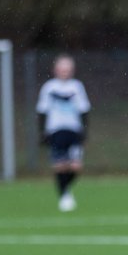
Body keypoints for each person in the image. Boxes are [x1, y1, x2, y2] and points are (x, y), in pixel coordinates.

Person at [37, 54, 92, 212]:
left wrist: (85, 131)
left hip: (73, 131)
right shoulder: (49, 87)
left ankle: (64, 189)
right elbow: (42, 111)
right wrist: (42, 132)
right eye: (62, 69)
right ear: (55, 70)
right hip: (56, 131)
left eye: (67, 69)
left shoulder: (76, 87)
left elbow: (84, 110)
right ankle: (64, 196)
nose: (64, 72)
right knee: (60, 166)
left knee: (75, 166)